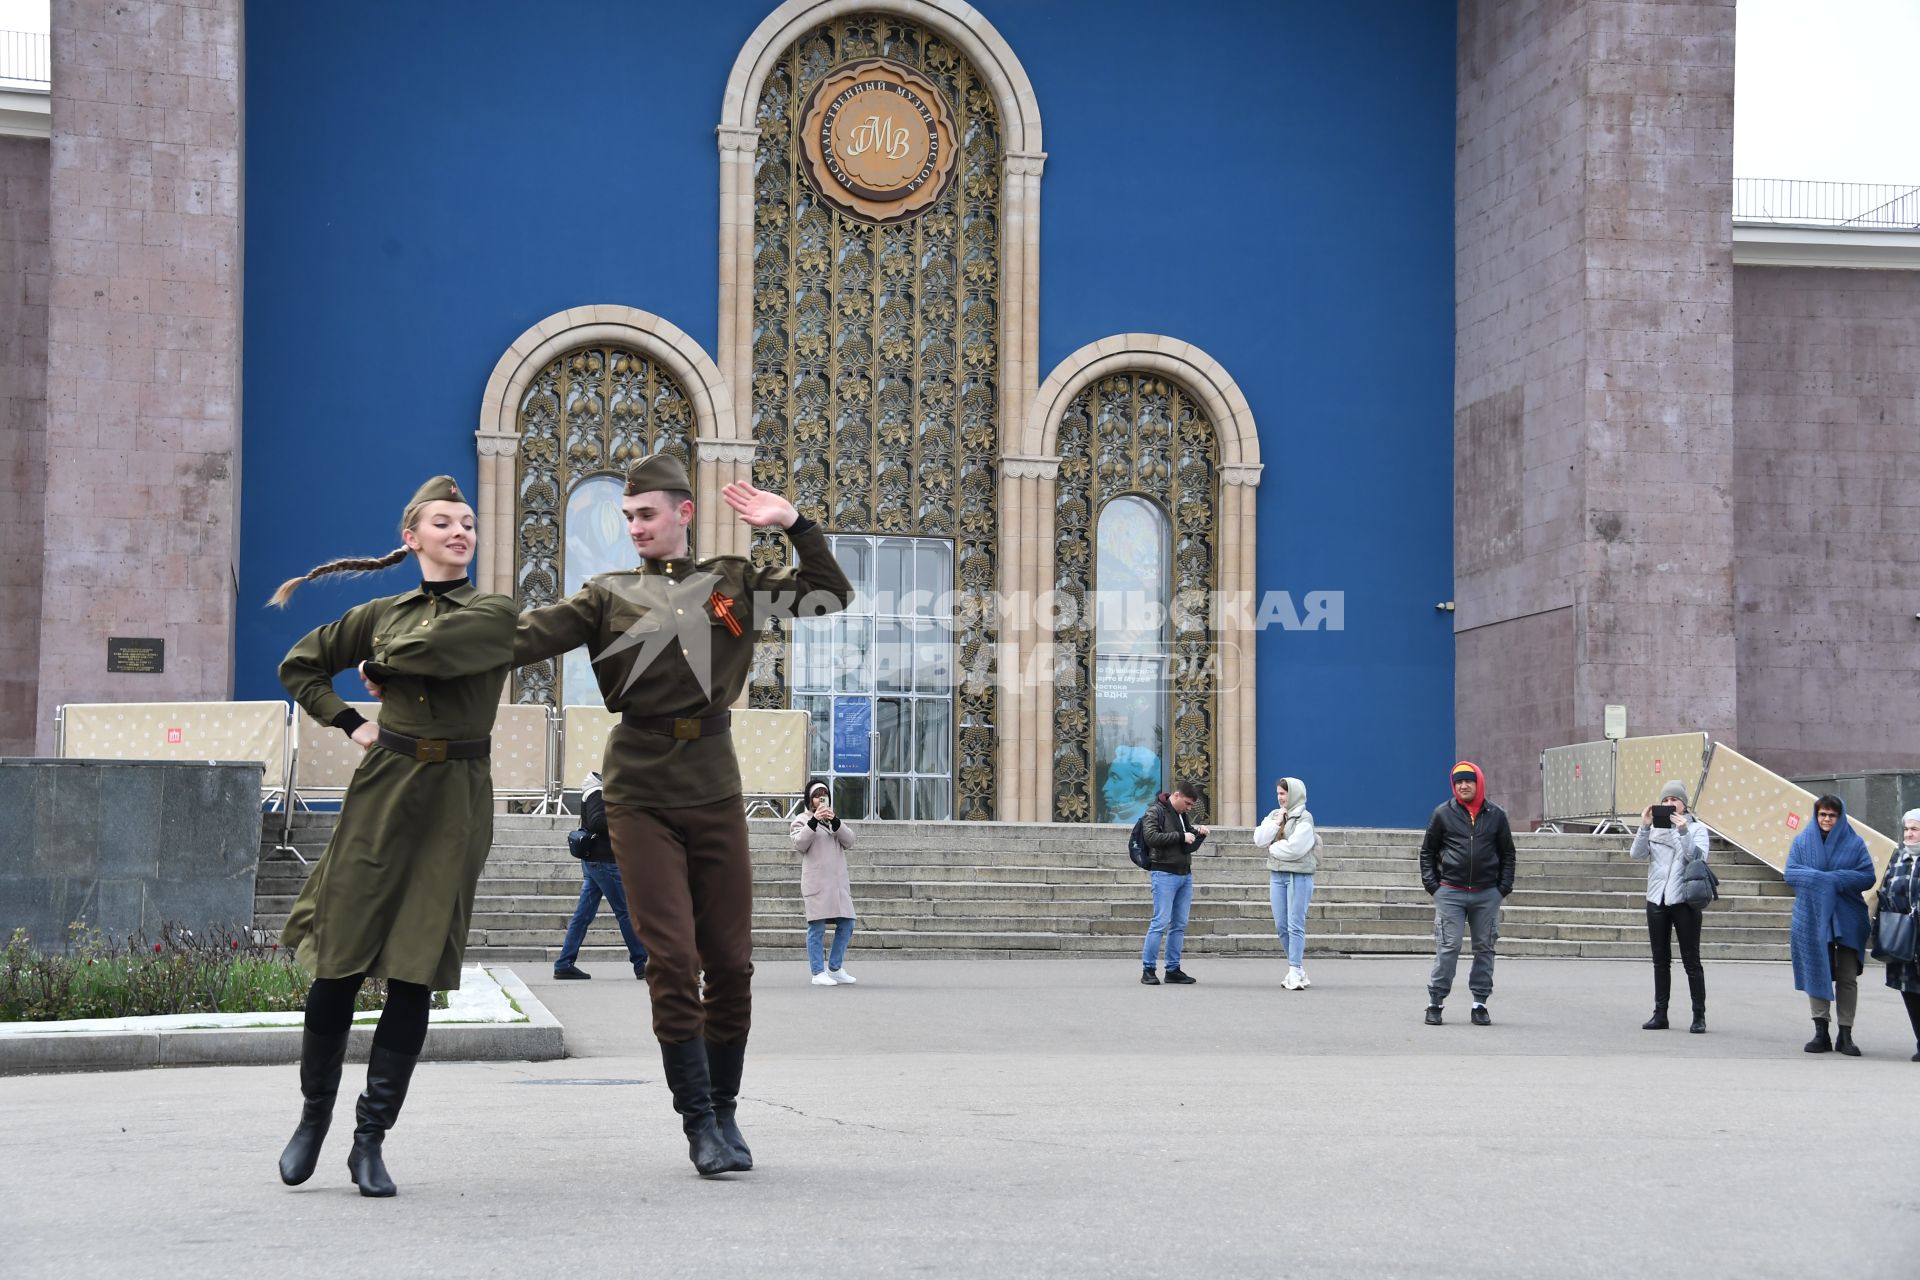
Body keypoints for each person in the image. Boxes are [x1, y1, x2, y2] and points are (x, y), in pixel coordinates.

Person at [512, 454, 853, 1176]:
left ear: (683, 514)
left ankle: (725, 1110)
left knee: (730, 962)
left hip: (713, 785)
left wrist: (795, 523)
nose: (635, 527)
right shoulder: (606, 594)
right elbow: (521, 638)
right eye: (627, 517)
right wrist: (415, 654)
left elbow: (829, 595)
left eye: (647, 514)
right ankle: (696, 1120)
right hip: (637, 787)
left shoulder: (732, 583)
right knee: (671, 958)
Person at [270, 475, 522, 1197]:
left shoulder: (495, 609)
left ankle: (369, 1139)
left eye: (468, 521)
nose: (460, 531)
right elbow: (300, 666)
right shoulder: (379, 611)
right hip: (384, 789)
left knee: (414, 971)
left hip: (456, 801)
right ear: (411, 539)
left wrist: (382, 664)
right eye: (444, 522)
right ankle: (312, 1119)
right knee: (338, 966)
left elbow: (448, 647)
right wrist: (351, 721)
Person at [1418, 761, 1516, 1026]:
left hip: (1487, 894)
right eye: (1459, 781)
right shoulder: (1442, 813)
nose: (1463, 785)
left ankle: (1480, 1003)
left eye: (1469, 781)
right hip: (1450, 892)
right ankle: (1435, 1002)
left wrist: (1502, 889)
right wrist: (1434, 887)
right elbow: (1427, 852)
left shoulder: (1495, 815)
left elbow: (1508, 853)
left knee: (1485, 948)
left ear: (1478, 783)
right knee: (1448, 947)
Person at [1785, 793, 1877, 1056]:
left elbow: (1868, 876)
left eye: (1831, 815)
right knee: (1817, 970)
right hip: (1812, 916)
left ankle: (1845, 1034)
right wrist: (1821, 879)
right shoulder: (1802, 841)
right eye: (1822, 814)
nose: (1826, 819)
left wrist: (1834, 879)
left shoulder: (1854, 842)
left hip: (1847, 917)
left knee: (1847, 977)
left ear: (1840, 817)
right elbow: (1790, 873)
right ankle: (1820, 1032)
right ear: (1816, 816)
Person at [1628, 780, 1712, 1033]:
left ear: (1684, 805)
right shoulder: (1654, 828)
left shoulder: (1696, 829)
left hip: (1684, 900)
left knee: (1691, 961)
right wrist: (1644, 826)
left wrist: (1682, 831)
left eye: (1674, 800)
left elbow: (1695, 857)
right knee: (1660, 960)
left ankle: (1699, 1016)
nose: (1668, 804)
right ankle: (1660, 1013)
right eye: (1664, 800)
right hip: (1656, 900)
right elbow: (1636, 854)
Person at [552, 770, 649, 981]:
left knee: (583, 915)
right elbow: (597, 822)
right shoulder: (597, 792)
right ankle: (642, 963)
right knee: (626, 912)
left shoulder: (597, 791)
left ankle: (564, 964)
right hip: (604, 861)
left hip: (595, 862)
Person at [1139, 781, 1209, 986]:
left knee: (1179, 924)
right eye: (1187, 804)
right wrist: (1181, 835)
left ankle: (1173, 969)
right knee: (1160, 922)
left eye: (1190, 806)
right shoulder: (1155, 811)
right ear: (1176, 795)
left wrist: (1199, 835)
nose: (1189, 808)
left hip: (1184, 875)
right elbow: (1151, 837)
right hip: (1164, 874)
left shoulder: (1181, 815)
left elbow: (1187, 847)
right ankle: (1148, 969)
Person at [791, 779, 858, 987]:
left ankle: (835, 969)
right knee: (817, 927)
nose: (821, 797)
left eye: (824, 793)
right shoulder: (801, 819)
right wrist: (814, 821)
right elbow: (800, 843)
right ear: (809, 799)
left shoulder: (833, 819)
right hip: (817, 882)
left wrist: (835, 821)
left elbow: (850, 840)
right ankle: (818, 972)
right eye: (816, 794)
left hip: (837, 884)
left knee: (847, 923)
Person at [1254, 776, 1319, 991]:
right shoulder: (1275, 815)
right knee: (1281, 926)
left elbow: (1296, 848)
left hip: (1299, 876)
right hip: (1277, 875)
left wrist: (1273, 848)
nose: (1280, 798)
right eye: (1279, 794)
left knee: (1295, 924)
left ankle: (1294, 968)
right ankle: (1297, 969)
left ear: (1295, 794)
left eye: (1284, 793)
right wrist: (1275, 824)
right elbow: (1260, 839)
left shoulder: (1305, 818)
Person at [1873, 809, 1920, 1062]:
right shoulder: (1899, 857)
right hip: (1903, 934)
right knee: (1909, 989)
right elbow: (1886, 889)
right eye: (1906, 829)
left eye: (1915, 829)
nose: (1909, 834)